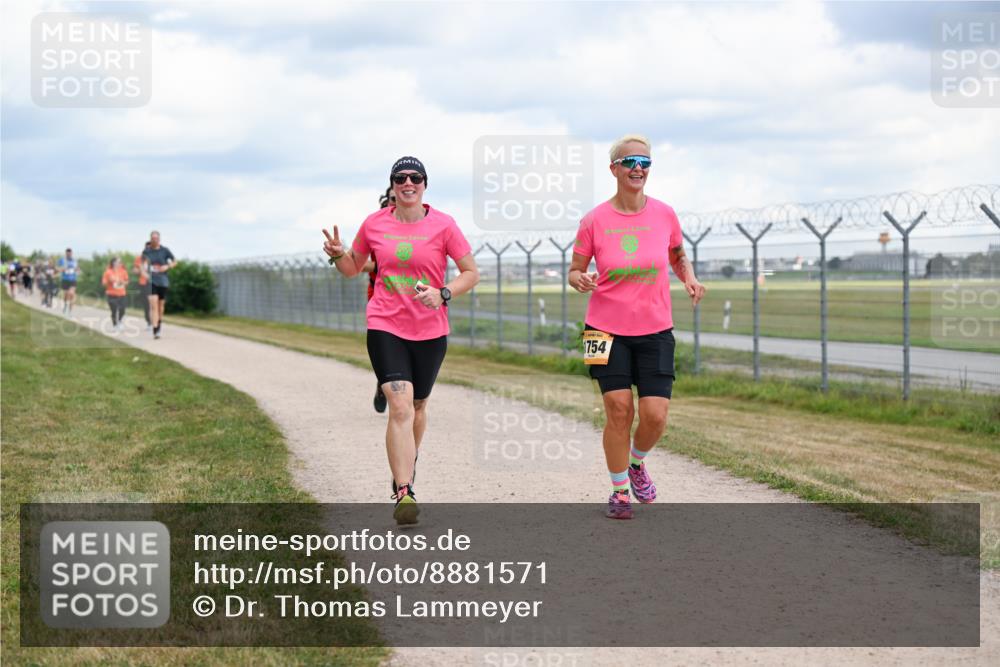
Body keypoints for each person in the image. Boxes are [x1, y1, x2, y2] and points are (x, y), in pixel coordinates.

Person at [322, 156, 479, 525]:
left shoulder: (444, 225)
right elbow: (351, 269)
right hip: (385, 324)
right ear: (392, 185)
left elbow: (470, 273)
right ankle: (404, 491)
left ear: (425, 183)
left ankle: (404, 465)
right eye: (400, 178)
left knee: (419, 406)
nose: (408, 182)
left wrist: (443, 293)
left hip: (430, 329)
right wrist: (337, 255)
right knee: (401, 406)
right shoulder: (374, 224)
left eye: (415, 177)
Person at [569, 134, 706, 520]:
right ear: (614, 169)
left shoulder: (664, 214)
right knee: (617, 409)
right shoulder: (594, 220)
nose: (638, 169)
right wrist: (579, 279)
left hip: (655, 328)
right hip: (601, 329)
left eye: (645, 163)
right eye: (630, 162)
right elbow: (575, 269)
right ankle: (619, 492)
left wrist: (689, 278)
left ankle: (636, 464)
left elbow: (677, 254)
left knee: (655, 415)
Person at [369, 186, 396, 415]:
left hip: (409, 296)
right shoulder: (376, 227)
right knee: (384, 343)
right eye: (391, 199)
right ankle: (384, 381)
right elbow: (359, 262)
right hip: (379, 293)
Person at [142, 231, 177, 339]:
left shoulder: (165, 250)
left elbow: (175, 261)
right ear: (150, 239)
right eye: (153, 238)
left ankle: (159, 325)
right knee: (154, 306)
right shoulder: (146, 251)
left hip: (163, 281)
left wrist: (167, 266)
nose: (155, 240)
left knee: (161, 306)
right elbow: (143, 265)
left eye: (157, 238)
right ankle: (155, 330)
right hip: (152, 281)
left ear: (159, 239)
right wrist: (145, 273)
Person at [101, 256, 129, 330]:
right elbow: (103, 283)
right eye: (118, 262)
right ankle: (115, 325)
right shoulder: (108, 272)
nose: (120, 263)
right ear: (113, 263)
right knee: (114, 310)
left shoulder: (123, 271)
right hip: (111, 294)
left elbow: (127, 281)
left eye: (120, 262)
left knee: (122, 310)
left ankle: (119, 321)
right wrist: (109, 281)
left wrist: (123, 282)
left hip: (122, 293)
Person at [134, 242, 152, 329]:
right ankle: (149, 322)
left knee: (152, 302)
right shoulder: (139, 259)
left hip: (154, 283)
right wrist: (140, 270)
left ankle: (154, 322)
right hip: (143, 283)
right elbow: (135, 270)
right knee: (146, 304)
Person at [57, 249, 79, 315]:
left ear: (72, 253)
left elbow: (77, 269)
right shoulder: (62, 260)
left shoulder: (75, 261)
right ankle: (65, 305)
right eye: (67, 253)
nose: (69, 255)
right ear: (66, 253)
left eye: (70, 253)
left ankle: (70, 312)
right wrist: (61, 269)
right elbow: (57, 268)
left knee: (72, 294)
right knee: (66, 295)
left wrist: (77, 271)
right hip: (65, 279)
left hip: (73, 279)